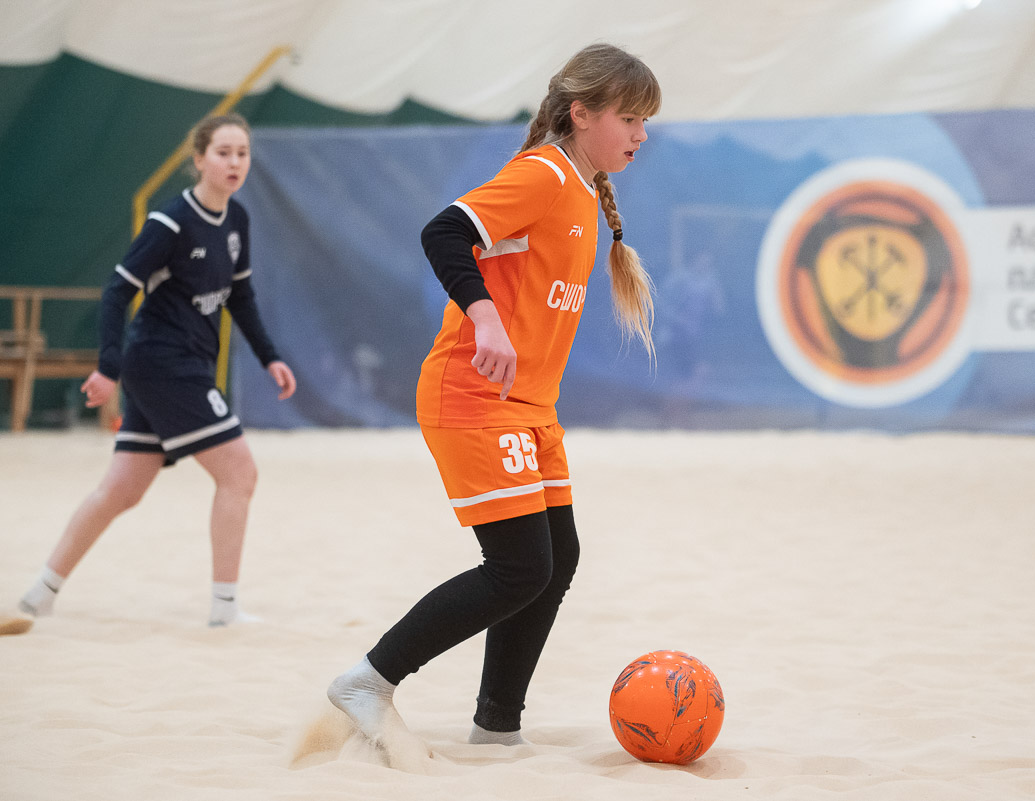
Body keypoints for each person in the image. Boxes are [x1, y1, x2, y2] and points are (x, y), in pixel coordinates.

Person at [325, 43, 661, 768]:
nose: (641, 133)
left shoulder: (584, 191)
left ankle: (497, 725)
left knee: (556, 560)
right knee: (518, 567)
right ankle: (368, 680)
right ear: (582, 113)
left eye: (645, 120)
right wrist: (484, 317)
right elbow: (442, 231)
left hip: (531, 407)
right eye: (630, 118)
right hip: (472, 395)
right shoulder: (543, 172)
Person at [16, 112, 296, 628]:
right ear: (199, 159)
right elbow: (116, 292)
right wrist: (108, 366)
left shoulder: (237, 220)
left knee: (121, 489)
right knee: (240, 473)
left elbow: (240, 296)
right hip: (165, 365)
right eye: (223, 153)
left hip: (177, 367)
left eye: (242, 153)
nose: (235, 162)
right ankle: (225, 609)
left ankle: (39, 594)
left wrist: (270, 356)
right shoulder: (170, 223)